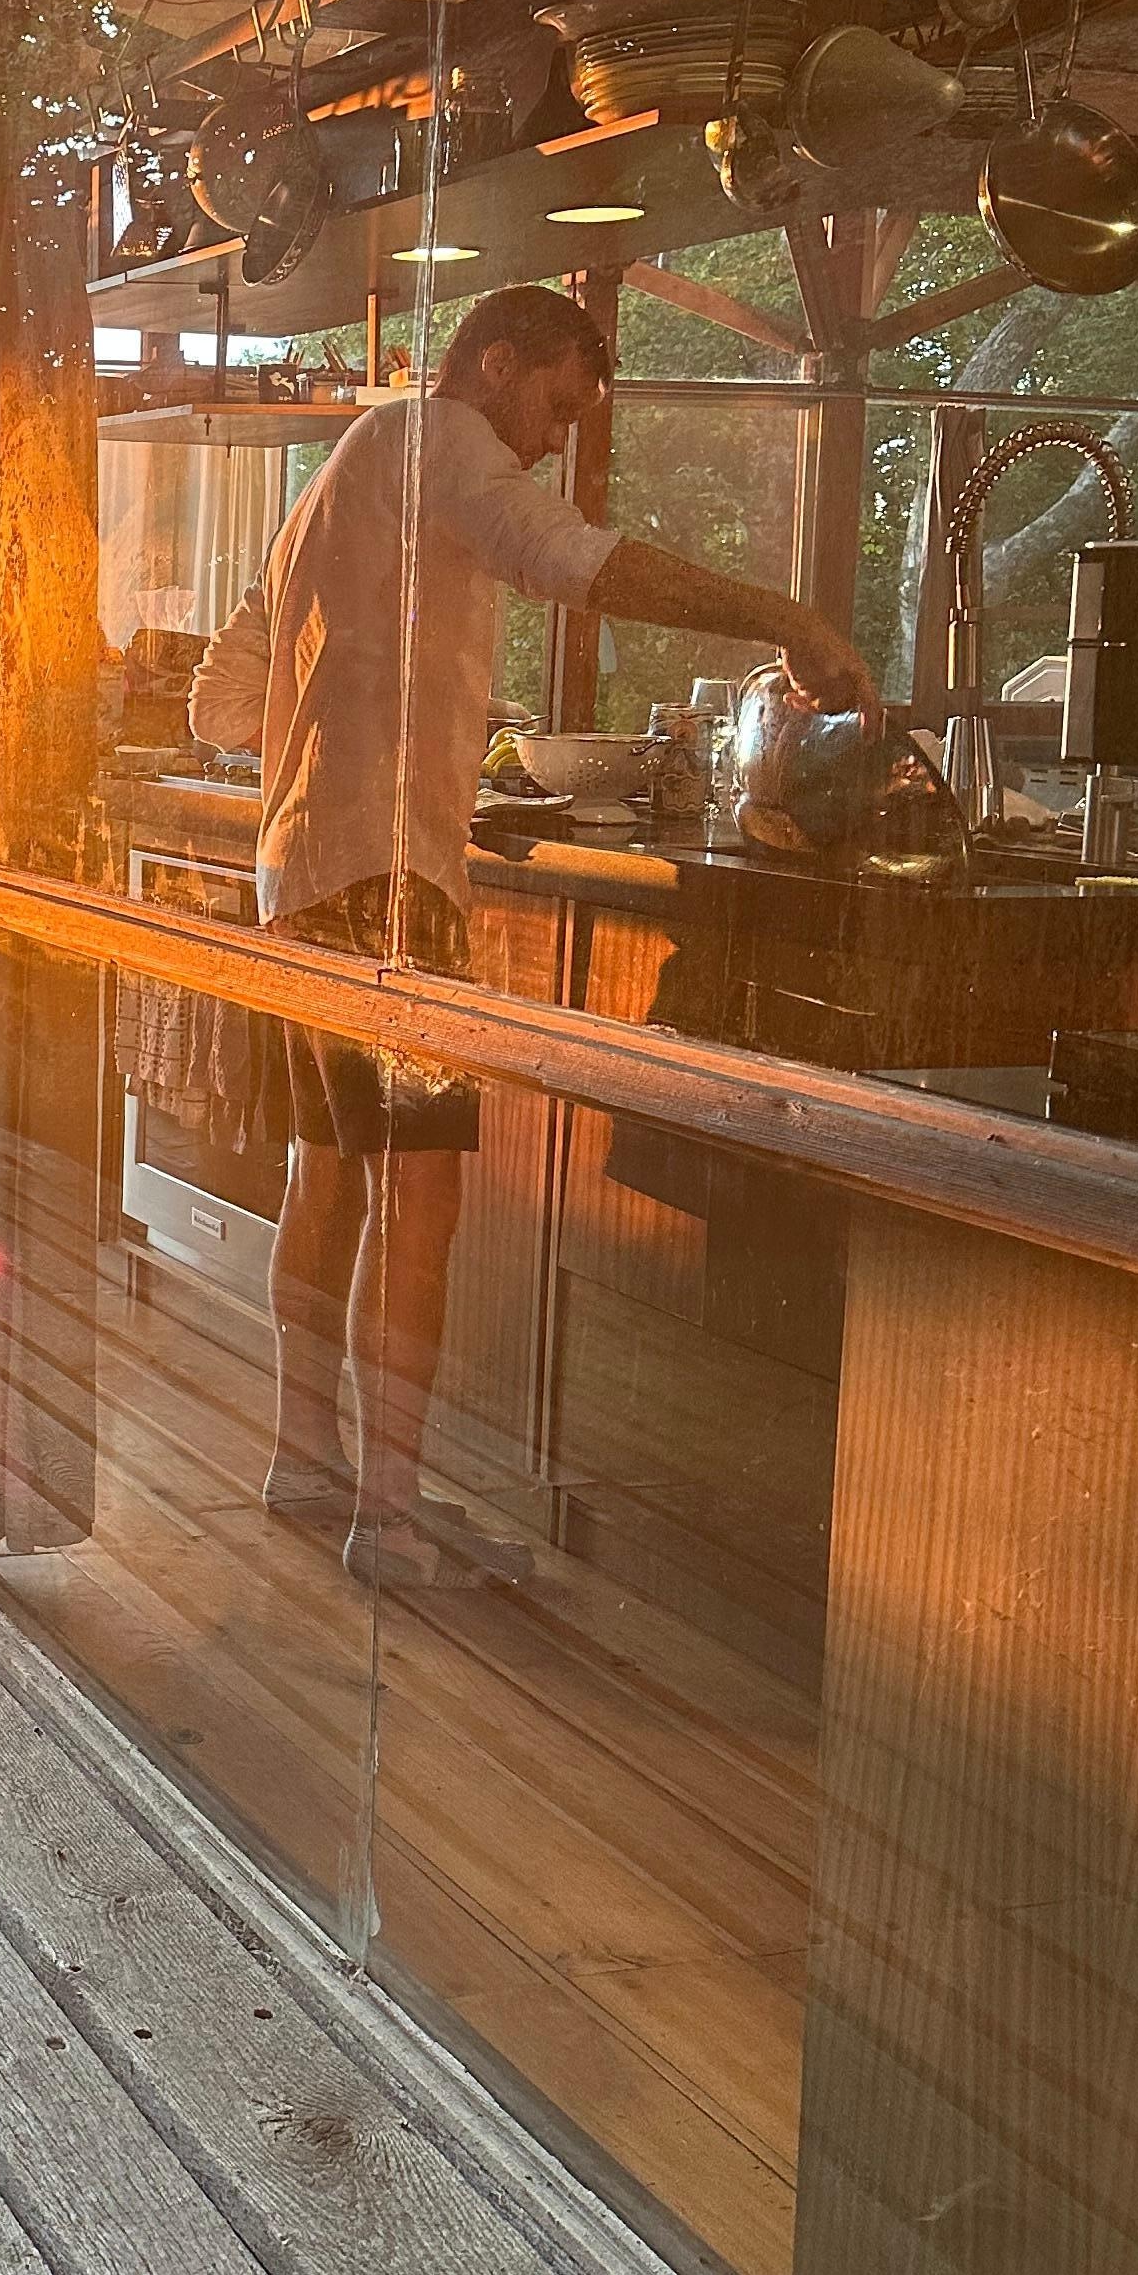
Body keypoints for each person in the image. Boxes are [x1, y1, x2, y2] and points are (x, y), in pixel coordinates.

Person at [189, 281, 874, 1589]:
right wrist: (788, 620)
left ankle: (304, 1460)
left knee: (325, 1174)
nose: (557, 442)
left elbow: (220, 706)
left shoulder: (344, 469)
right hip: (392, 884)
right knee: (422, 1198)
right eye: (557, 407)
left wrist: (372, 713)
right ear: (497, 364)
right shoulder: (447, 444)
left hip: (300, 876)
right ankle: (391, 1520)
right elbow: (581, 564)